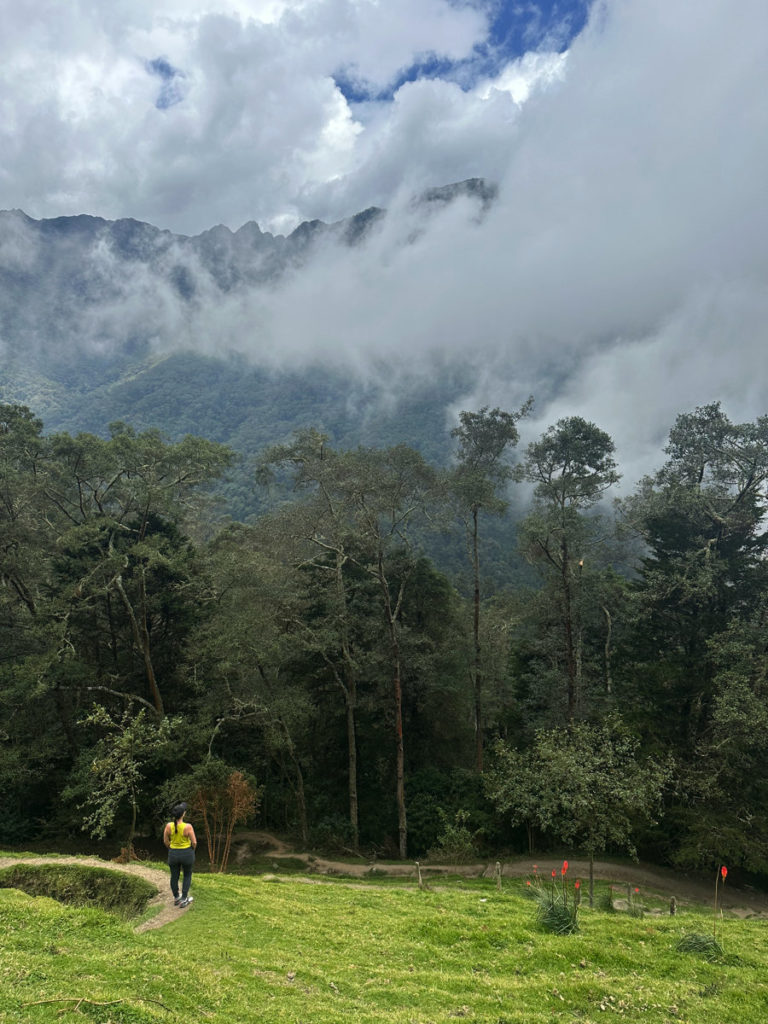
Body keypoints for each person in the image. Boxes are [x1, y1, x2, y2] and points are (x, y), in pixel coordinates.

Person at [163, 802, 197, 907]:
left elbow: (165, 841)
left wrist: (171, 849)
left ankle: (176, 897)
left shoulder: (168, 826)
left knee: (174, 876)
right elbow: (194, 842)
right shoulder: (188, 826)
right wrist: (192, 850)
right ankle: (184, 899)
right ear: (183, 814)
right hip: (187, 853)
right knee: (187, 875)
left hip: (173, 853)